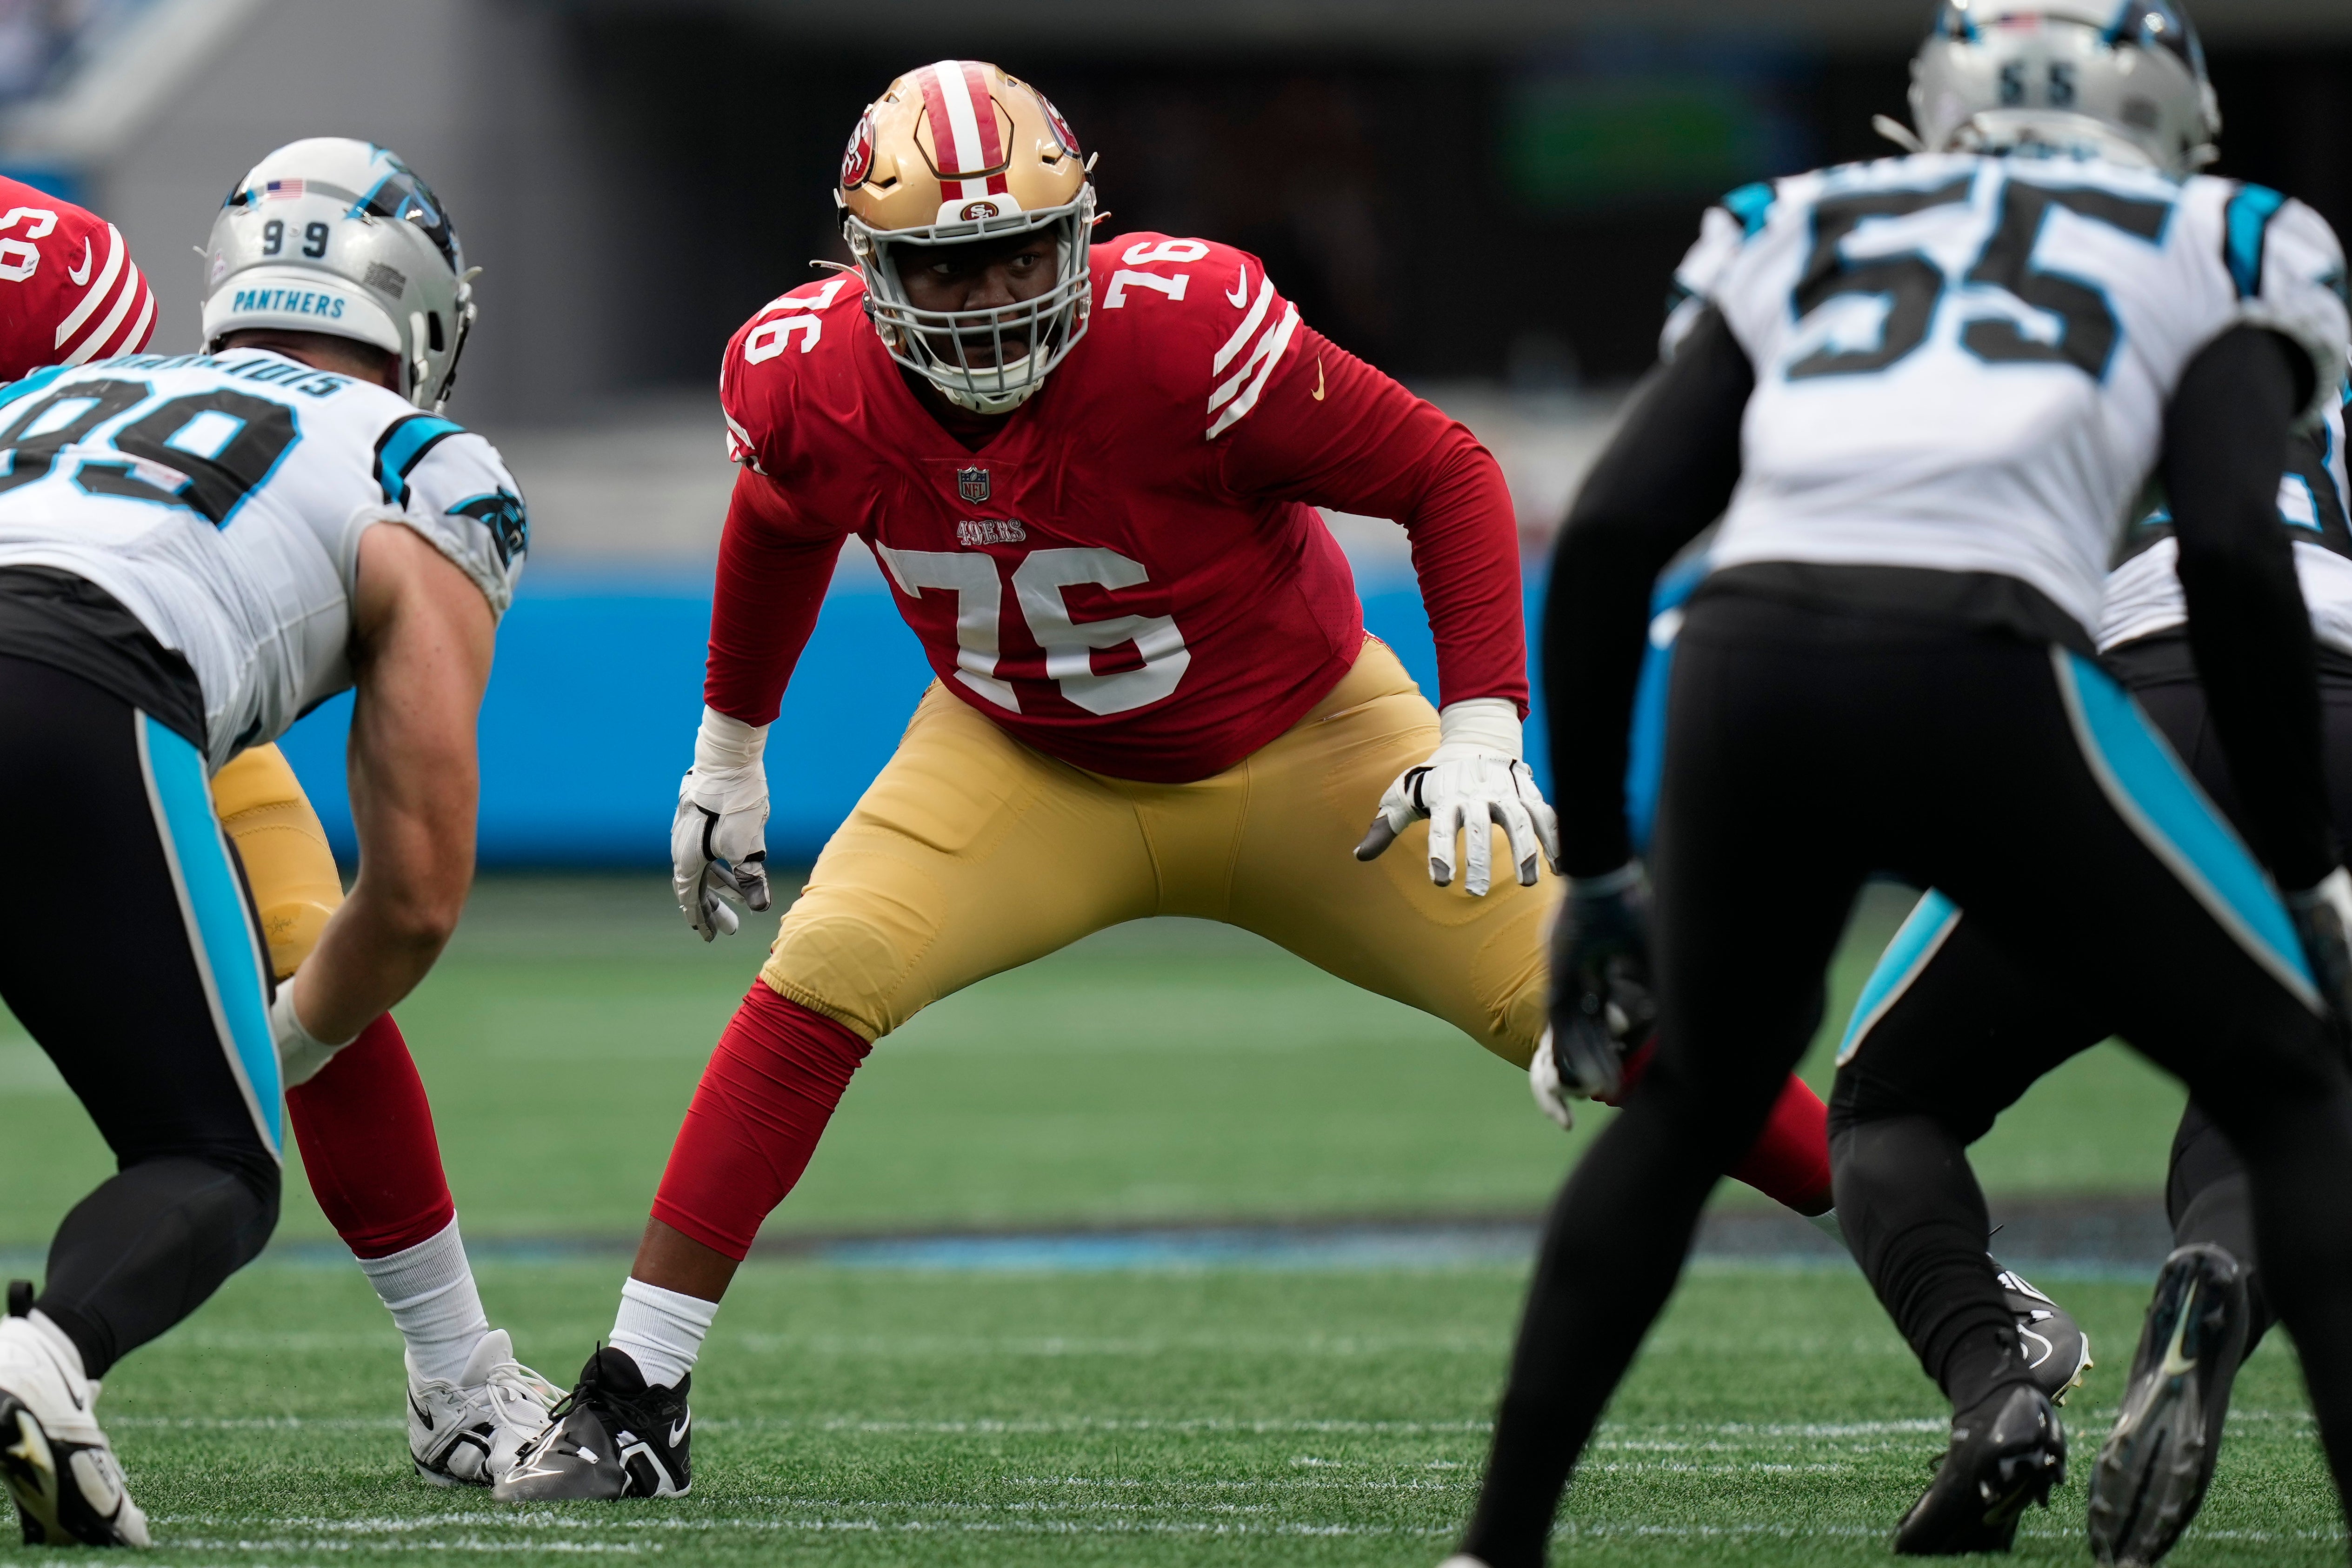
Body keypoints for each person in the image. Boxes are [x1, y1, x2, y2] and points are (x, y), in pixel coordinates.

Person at [493, 58, 1849, 1502]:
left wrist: (1480, 727)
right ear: (868, 265)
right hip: (1019, 754)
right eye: (947, 270)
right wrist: (729, 747)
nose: (993, 294)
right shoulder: (800, 371)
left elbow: (1445, 472)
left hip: (1312, 748)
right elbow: (777, 518)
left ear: (1080, 228)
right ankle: (638, 1396)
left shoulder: (1185, 332)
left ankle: (1956, 1290)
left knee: (1600, 1003)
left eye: (1019, 250)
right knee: (821, 967)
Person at [1447, 3, 2352, 1564]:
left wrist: (1597, 874)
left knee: (1706, 1109)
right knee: (2294, 1088)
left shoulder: (1795, 214)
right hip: (1996, 655)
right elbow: (2229, 543)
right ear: (2171, 114)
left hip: (1750, 656)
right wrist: (2305, 866)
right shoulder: (2230, 235)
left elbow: (1599, 541)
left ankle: (1497, 1542)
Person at [0, 136, 537, 1543]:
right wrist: (285, 1037)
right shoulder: (429, 461)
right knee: (212, 1162)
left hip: (74, 646)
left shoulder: (68, 383)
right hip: (77, 684)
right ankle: (41, 1358)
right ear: (423, 317)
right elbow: (413, 895)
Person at [1828, 348, 2352, 1565]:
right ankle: (2214, 1272)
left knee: (1884, 1102)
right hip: (2333, 711)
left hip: (2128, 706)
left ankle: (1991, 1391)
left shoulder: (2088, 356)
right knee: (2275, 1090)